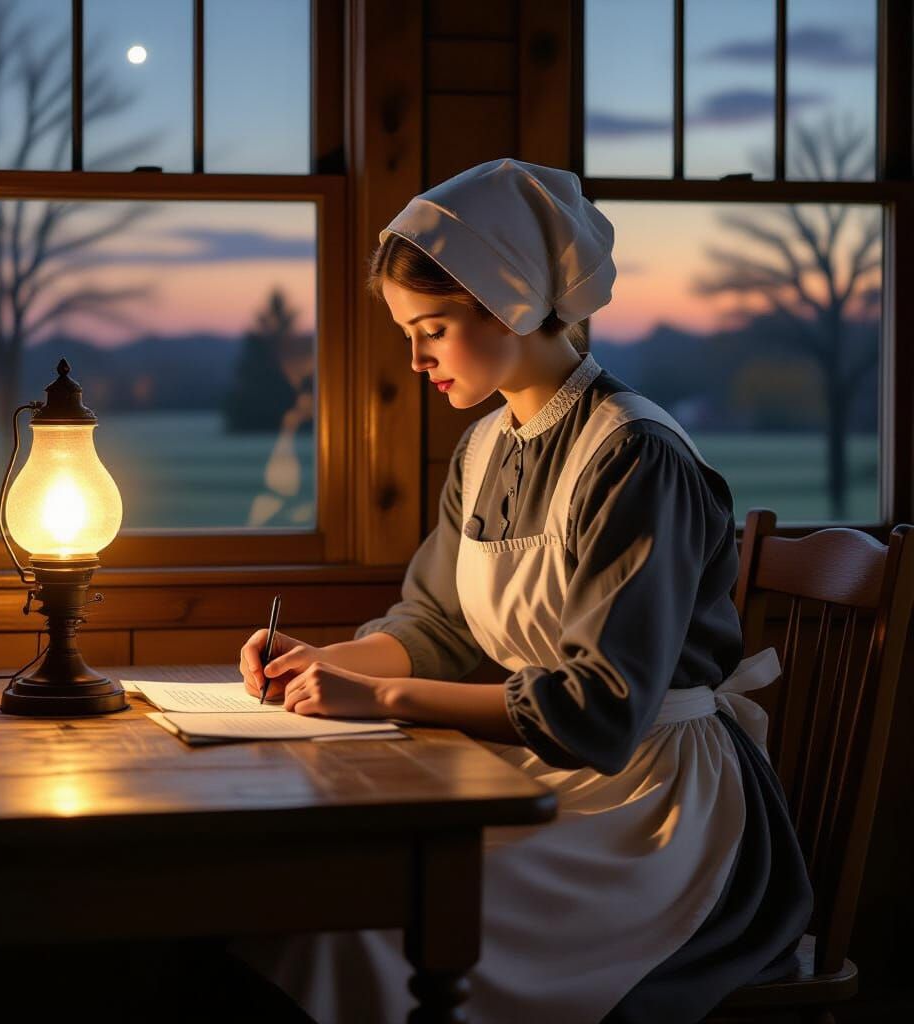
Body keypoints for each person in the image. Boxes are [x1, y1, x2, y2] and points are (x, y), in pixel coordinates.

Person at [231, 157, 814, 1024]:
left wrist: (380, 694)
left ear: (507, 299)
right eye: (406, 331)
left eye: (430, 326)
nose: (416, 355)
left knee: (359, 921)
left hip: (654, 812)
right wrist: (326, 661)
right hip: (538, 777)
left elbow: (600, 710)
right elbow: (437, 622)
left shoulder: (635, 456)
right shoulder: (483, 449)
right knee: (320, 896)